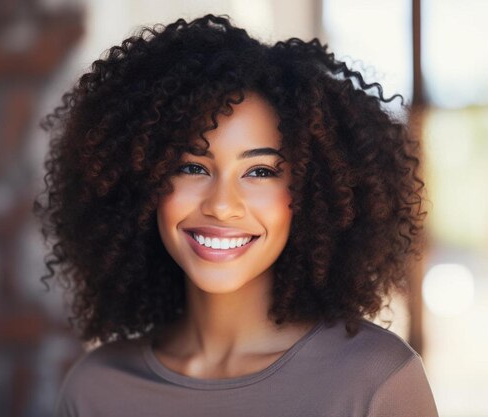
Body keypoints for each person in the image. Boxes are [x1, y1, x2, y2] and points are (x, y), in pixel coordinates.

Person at [34, 14, 438, 417]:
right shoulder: (96, 389)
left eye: (260, 172)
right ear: (143, 180)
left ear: (316, 193)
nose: (221, 204)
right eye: (192, 167)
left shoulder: (376, 380)